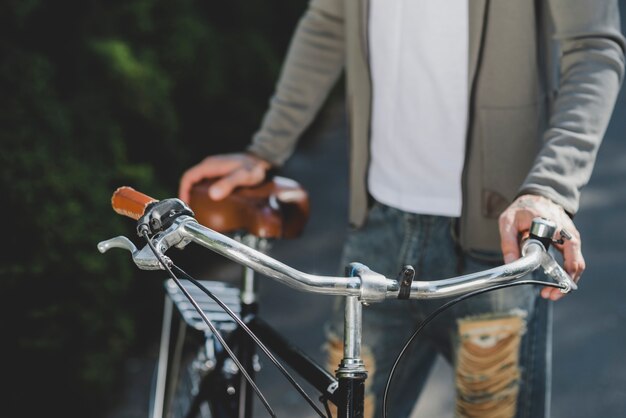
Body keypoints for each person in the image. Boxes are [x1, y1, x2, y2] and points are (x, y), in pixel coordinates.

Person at [178, 1, 625, 417]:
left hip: (501, 242)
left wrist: (551, 187)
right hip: (377, 232)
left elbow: (594, 46)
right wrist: (265, 149)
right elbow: (330, 20)